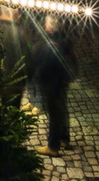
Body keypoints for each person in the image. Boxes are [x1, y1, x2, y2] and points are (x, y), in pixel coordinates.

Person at [31, 18, 77, 155]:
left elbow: (44, 67)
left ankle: (53, 146)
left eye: (46, 24)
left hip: (53, 85)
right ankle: (64, 138)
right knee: (62, 110)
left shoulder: (51, 45)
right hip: (62, 82)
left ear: (50, 28)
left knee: (54, 114)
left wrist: (36, 78)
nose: (44, 26)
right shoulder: (64, 39)